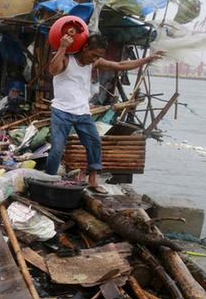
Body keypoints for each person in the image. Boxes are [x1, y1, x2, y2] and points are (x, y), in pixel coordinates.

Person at [45, 33, 164, 192]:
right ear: (86, 47)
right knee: (57, 149)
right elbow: (52, 70)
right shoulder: (66, 59)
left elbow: (121, 65)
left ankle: (93, 179)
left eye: (98, 57)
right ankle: (48, 180)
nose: (94, 60)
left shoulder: (94, 63)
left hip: (83, 112)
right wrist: (63, 46)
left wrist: (148, 59)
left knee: (94, 143)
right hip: (61, 111)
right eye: (93, 55)